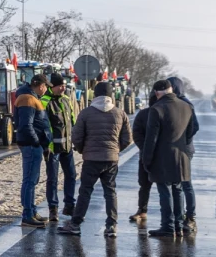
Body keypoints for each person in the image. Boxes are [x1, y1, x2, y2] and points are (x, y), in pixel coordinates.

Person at [57, 81, 130, 237]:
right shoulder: (120, 113)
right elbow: (128, 139)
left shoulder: (86, 113)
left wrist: (84, 150)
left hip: (91, 158)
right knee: (110, 192)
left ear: (95, 95)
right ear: (111, 95)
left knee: (85, 191)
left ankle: (76, 224)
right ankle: (111, 226)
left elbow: (76, 136)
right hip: (111, 159)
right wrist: (115, 151)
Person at [141, 80, 195, 239]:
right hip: (182, 156)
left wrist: (147, 159)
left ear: (157, 93)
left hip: (162, 156)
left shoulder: (157, 109)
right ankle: (178, 225)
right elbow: (190, 133)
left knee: (165, 191)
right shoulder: (187, 106)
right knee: (178, 190)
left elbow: (151, 138)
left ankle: (168, 226)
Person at [15, 74, 52, 228]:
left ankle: (32, 211)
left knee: (32, 180)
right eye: (46, 86)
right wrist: (37, 142)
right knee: (30, 180)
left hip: (33, 145)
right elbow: (26, 125)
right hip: (31, 145)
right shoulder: (27, 99)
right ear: (39, 85)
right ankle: (27, 214)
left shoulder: (30, 97)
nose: (47, 89)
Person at [43, 73, 78, 221]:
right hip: (53, 149)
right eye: (60, 86)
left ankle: (69, 205)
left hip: (67, 147)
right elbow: (43, 126)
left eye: (64, 85)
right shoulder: (45, 101)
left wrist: (76, 139)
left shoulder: (66, 100)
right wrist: (46, 146)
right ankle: (53, 209)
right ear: (53, 86)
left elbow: (72, 120)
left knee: (71, 175)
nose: (63, 88)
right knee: (53, 179)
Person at [167, 76, 200, 232]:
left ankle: (190, 217)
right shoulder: (175, 102)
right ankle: (178, 217)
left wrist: (183, 140)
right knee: (176, 183)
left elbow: (194, 126)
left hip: (184, 149)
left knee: (185, 183)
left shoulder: (186, 104)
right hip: (178, 148)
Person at [128, 93, 156, 224]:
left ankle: (171, 214)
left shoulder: (166, 113)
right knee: (144, 184)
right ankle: (142, 210)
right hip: (146, 155)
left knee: (166, 186)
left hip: (158, 155)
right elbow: (136, 133)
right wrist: (145, 148)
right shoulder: (144, 114)